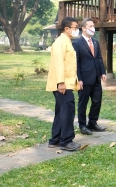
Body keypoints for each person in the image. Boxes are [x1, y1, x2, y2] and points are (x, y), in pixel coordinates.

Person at [46, 17, 82, 152]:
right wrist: (60, 82)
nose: (76, 29)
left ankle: (55, 139)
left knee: (61, 111)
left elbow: (70, 64)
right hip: (62, 84)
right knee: (67, 111)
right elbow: (59, 64)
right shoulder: (60, 42)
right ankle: (66, 141)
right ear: (66, 29)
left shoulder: (67, 41)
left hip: (67, 83)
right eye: (75, 27)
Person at [72, 18, 107, 135]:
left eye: (93, 26)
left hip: (96, 77)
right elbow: (75, 62)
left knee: (97, 101)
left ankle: (92, 122)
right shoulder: (76, 43)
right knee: (83, 103)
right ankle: (82, 125)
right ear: (83, 28)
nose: (93, 28)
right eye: (90, 26)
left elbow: (99, 58)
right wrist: (79, 79)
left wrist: (103, 72)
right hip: (84, 79)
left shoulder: (95, 42)